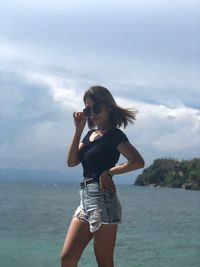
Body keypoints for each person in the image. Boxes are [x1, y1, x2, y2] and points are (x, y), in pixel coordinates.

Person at [60, 85, 145, 267]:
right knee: (67, 259)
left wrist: (110, 172)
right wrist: (78, 129)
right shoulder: (90, 135)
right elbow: (71, 161)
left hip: (103, 200)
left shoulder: (114, 135)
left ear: (108, 107)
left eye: (96, 108)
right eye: (87, 109)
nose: (92, 113)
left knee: (104, 262)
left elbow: (137, 161)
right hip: (84, 200)